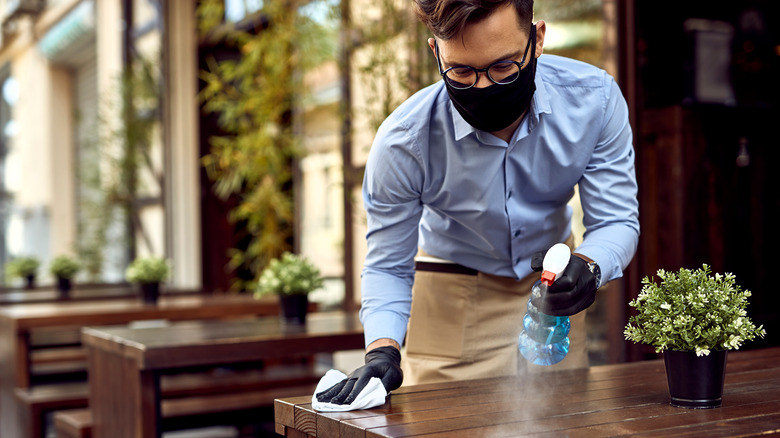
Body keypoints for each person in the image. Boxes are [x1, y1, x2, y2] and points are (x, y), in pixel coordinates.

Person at [317, 0, 639, 405]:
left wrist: (589, 267)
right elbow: (387, 264)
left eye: (503, 67)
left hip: (553, 300)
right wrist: (382, 348)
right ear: (436, 51)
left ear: (537, 39)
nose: (484, 87)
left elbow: (617, 221)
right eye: (462, 72)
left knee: (562, 426)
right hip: (452, 304)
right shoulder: (405, 140)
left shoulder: (595, 101)